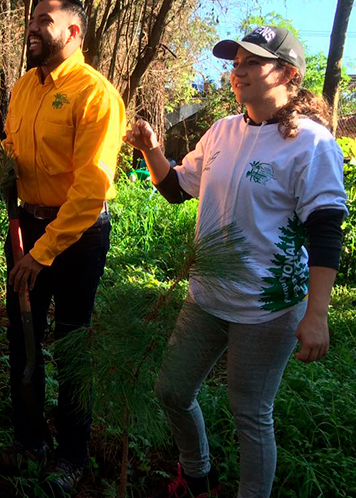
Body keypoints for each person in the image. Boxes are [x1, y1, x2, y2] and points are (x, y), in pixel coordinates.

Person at [124, 27, 347, 498]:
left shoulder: (311, 143)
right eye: (235, 62)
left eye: (251, 62)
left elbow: (327, 229)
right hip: (207, 296)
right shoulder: (222, 130)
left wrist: (318, 314)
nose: (237, 71)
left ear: (287, 73)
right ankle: (197, 475)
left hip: (268, 308)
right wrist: (150, 150)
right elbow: (175, 189)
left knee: (249, 413)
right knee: (171, 391)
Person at [0, 0, 125, 495]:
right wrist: (2, 178)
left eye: (45, 21)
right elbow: (12, 153)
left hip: (77, 237)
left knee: (70, 344)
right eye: (32, 21)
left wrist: (43, 254)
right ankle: (28, 442)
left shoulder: (95, 94)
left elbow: (91, 190)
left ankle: (72, 456)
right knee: (22, 337)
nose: (32, 29)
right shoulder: (23, 87)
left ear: (75, 32)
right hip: (26, 230)